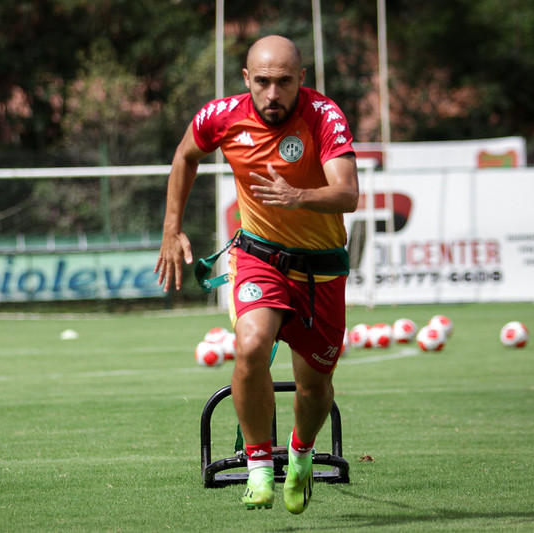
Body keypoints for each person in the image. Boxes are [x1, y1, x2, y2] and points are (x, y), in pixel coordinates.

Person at [155, 35, 358, 513]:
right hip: (258, 257)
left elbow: (348, 193)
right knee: (250, 346)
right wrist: (171, 228)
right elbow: (185, 156)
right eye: (263, 82)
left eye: (284, 82)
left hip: (321, 272)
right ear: (247, 79)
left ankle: (303, 454)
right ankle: (260, 466)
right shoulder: (221, 116)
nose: (273, 93)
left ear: (301, 80)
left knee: (313, 387)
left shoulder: (324, 116)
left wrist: (299, 196)